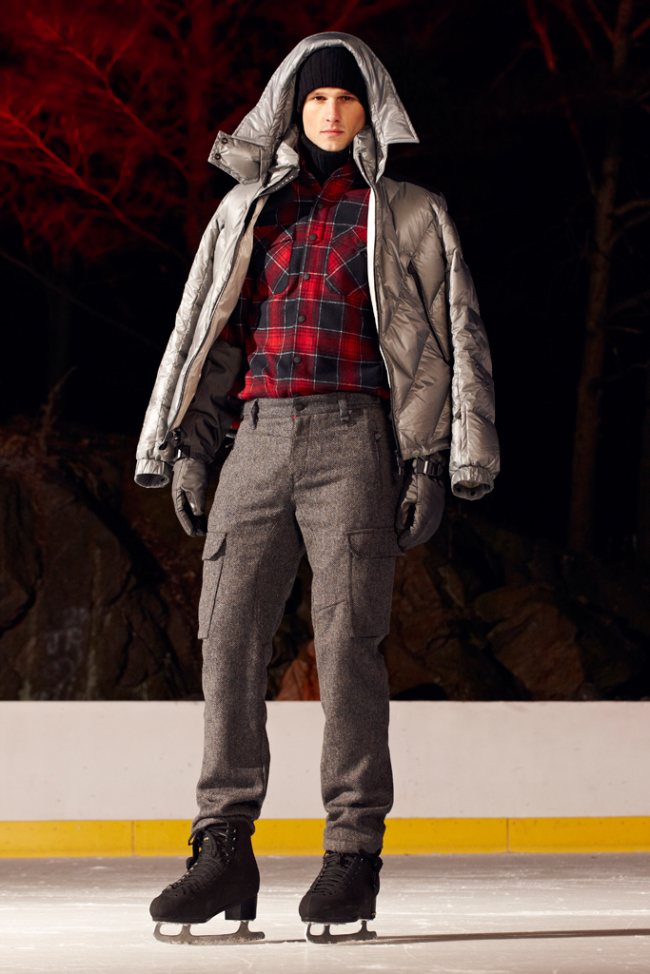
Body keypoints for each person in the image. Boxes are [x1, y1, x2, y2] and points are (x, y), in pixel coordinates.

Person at [134, 31, 500, 943]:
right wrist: (190, 447)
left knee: (347, 647)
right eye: (316, 100)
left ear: (370, 109)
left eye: (346, 99)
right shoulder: (246, 211)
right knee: (227, 636)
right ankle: (223, 847)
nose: (332, 113)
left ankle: (352, 855)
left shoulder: (407, 212)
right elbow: (209, 333)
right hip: (255, 439)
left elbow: (448, 338)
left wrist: (431, 461)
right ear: (291, 111)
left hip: (353, 439)